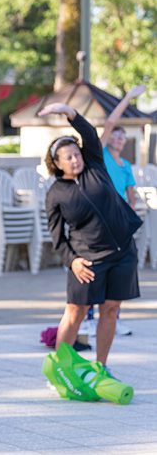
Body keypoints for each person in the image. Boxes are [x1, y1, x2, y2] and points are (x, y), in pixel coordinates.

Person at [42, 102, 142, 373]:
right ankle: (60, 370)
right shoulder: (55, 194)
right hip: (87, 260)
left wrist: (69, 112)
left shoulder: (95, 165)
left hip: (123, 252)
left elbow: (88, 133)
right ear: (57, 164)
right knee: (76, 311)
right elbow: (57, 237)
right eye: (68, 157)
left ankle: (101, 367)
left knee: (110, 309)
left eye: (77, 154)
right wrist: (72, 261)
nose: (75, 160)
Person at [80, 85, 146, 338]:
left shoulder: (126, 164)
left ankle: (113, 317)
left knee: (119, 271)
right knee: (95, 268)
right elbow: (109, 123)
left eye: (121, 137)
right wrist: (128, 97)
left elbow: (131, 194)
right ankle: (88, 319)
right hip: (100, 220)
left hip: (120, 222)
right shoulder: (101, 155)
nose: (118, 139)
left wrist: (131, 216)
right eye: (115, 136)